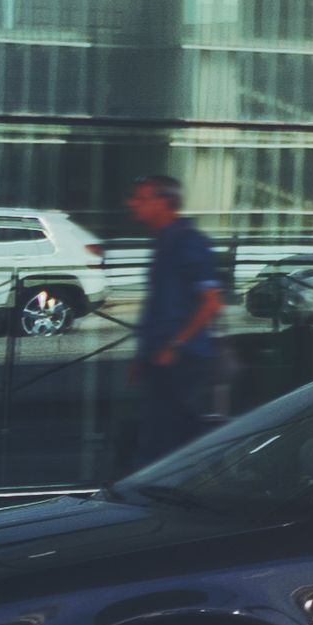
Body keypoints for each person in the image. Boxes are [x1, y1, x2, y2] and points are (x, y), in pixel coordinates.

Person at [115, 173, 229, 467]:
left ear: (164, 202)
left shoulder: (187, 242)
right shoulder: (165, 242)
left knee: (168, 438)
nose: (132, 204)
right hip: (166, 358)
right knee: (165, 434)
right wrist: (144, 357)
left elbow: (211, 302)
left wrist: (174, 346)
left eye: (141, 198)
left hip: (181, 360)